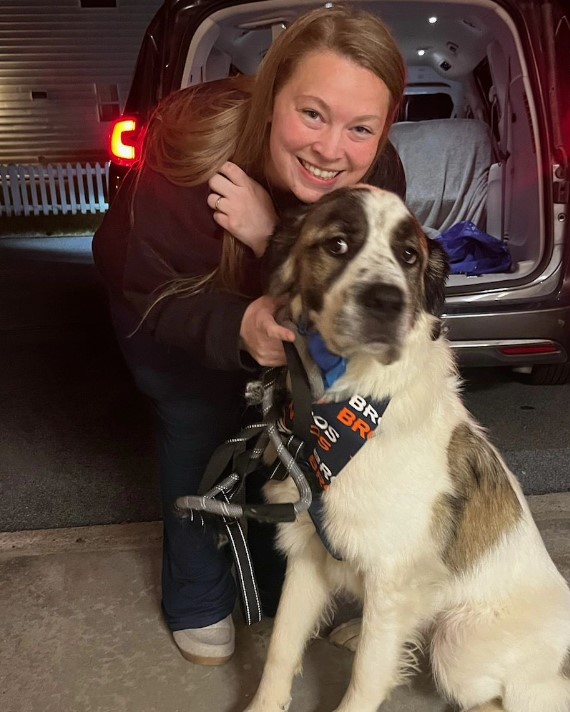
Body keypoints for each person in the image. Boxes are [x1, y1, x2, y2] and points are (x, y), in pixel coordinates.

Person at [92, 4, 407, 666]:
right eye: (311, 113)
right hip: (159, 298)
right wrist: (238, 325)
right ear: (270, 101)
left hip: (268, 297)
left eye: (360, 128)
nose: (330, 149)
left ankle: (276, 573)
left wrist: (270, 238)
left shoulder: (379, 180)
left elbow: (352, 304)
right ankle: (196, 595)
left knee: (303, 426)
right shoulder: (189, 145)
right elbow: (149, 291)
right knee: (195, 412)